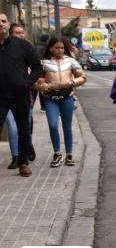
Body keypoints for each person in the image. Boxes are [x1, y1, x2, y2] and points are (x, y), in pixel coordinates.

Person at [34, 37, 87, 167]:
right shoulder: (44, 63)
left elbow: (83, 77)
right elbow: (37, 82)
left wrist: (71, 84)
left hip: (67, 97)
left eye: (62, 48)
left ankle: (69, 155)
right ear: (51, 48)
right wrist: (43, 86)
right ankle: (57, 154)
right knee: (53, 125)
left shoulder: (71, 61)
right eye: (57, 47)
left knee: (67, 126)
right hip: (50, 99)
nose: (60, 50)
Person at [0, 13, 42, 176]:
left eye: (3, 21)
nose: (0, 24)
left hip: (19, 95)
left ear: (8, 24)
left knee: (23, 129)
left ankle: (23, 162)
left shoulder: (23, 45)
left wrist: (26, 83)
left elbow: (38, 68)